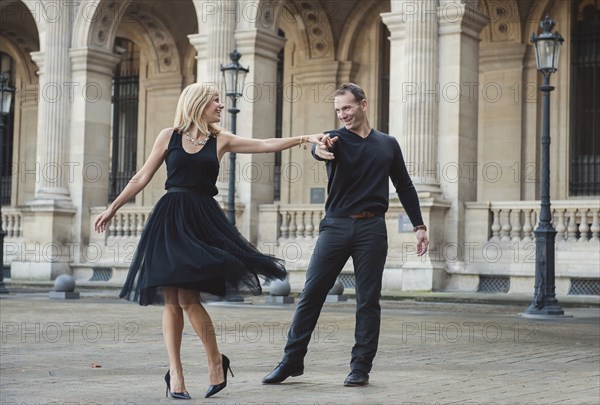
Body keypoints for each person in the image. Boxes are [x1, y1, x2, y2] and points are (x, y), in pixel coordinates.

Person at [94, 82, 323, 400]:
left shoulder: (220, 139)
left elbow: (265, 144)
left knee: (188, 299)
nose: (220, 105)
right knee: (171, 301)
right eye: (215, 100)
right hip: (169, 220)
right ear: (199, 103)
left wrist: (303, 138)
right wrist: (112, 207)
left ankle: (215, 361)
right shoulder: (169, 136)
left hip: (201, 220)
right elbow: (142, 176)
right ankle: (176, 374)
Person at [262, 83, 429, 387]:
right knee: (311, 295)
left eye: (347, 108)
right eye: (338, 110)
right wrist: (320, 148)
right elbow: (320, 147)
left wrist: (419, 226)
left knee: (368, 301)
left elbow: (404, 185)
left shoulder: (388, 144)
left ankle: (360, 368)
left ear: (363, 105)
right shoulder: (335, 138)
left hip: (372, 229)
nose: (343, 115)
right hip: (336, 226)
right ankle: (291, 360)